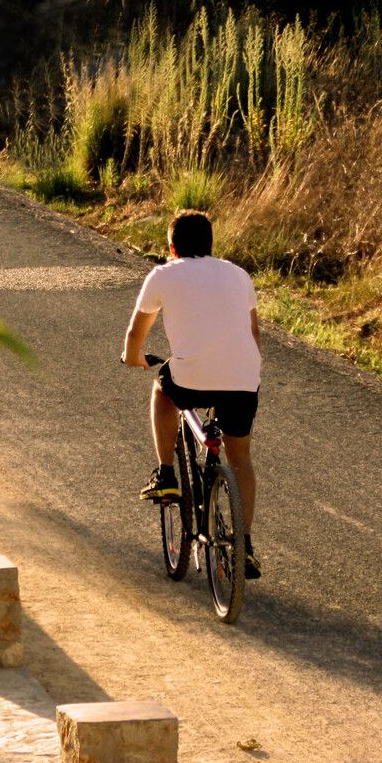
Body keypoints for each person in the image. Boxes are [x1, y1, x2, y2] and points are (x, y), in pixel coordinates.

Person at [121, 209, 263, 578]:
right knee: (241, 459)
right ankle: (244, 544)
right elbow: (254, 334)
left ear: (172, 247)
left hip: (192, 377)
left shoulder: (163, 275)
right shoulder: (238, 274)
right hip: (243, 378)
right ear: (212, 245)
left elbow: (137, 333)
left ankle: (166, 474)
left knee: (163, 390)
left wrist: (133, 358)